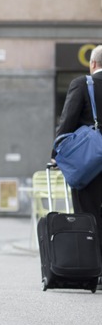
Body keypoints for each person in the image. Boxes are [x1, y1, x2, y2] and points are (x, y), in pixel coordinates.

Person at [54, 44, 102, 265]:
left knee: (88, 215)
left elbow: (66, 125)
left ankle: (93, 267)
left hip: (89, 165)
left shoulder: (82, 85)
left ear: (93, 64)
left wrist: (57, 156)